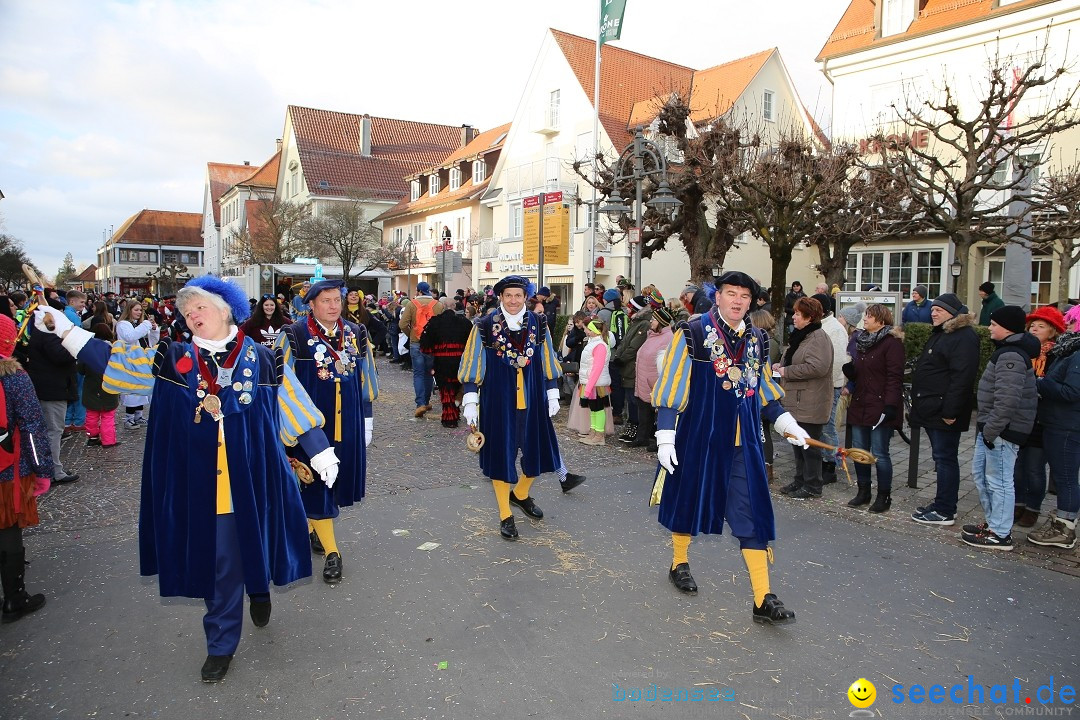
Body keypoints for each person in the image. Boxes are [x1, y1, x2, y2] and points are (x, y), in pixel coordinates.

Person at [34, 276, 335, 682]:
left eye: (200, 307)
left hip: (257, 477)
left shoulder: (265, 359)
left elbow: (292, 405)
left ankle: (259, 588)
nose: (192, 315)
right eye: (186, 310)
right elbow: (114, 363)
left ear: (225, 310)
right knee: (220, 564)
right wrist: (66, 330)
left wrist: (320, 449)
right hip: (204, 486)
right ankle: (221, 643)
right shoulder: (172, 358)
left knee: (256, 546)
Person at [651, 271, 810, 624]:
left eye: (744, 296)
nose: (737, 300)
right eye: (730, 293)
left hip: (744, 446)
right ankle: (679, 561)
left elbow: (766, 394)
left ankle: (762, 598)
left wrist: (787, 424)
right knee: (689, 502)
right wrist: (665, 435)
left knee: (750, 514)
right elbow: (672, 386)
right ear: (718, 296)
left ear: (751, 302)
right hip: (699, 440)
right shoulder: (691, 333)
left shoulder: (758, 340)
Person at [276, 278, 378, 584]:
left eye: (337, 300)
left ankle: (311, 529)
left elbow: (366, 377)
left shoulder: (356, 333)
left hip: (347, 424)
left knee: (333, 484)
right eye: (326, 301)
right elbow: (278, 383)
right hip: (309, 430)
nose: (333, 306)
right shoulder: (292, 335)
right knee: (317, 485)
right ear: (311, 304)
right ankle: (333, 552)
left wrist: (368, 418)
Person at [458, 275, 566, 540]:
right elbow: (474, 362)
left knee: (537, 452)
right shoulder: (483, 326)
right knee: (501, 457)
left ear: (525, 297)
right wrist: (471, 399)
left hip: (533, 400)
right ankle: (505, 515)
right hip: (498, 402)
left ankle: (520, 494)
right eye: (509, 296)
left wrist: (552, 390)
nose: (514, 301)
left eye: (518, 295)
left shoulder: (539, 323)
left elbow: (547, 355)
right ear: (501, 298)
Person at [959, 306, 1039, 551]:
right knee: (982, 476)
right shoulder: (1006, 352)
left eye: (994, 324)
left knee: (1000, 481)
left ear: (1007, 328)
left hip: (1002, 431)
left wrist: (992, 430)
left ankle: (1000, 533)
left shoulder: (1011, 356)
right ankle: (994, 524)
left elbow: (1007, 400)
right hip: (993, 429)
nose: (990, 327)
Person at [0, 313, 53, 624]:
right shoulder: (15, 378)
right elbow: (33, 427)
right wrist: (42, 469)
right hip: (9, 468)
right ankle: (14, 598)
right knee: (8, 530)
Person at [909, 293, 980, 526]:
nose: (933, 312)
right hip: (932, 406)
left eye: (939, 310)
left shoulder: (963, 336)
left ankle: (945, 510)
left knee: (945, 458)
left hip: (944, 411)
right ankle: (943, 503)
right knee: (940, 459)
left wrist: (950, 411)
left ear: (953, 313)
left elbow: (962, 377)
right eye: (933, 309)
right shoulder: (943, 333)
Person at [1026, 305, 1080, 550]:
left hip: (1067, 424)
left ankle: (1065, 528)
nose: (1066, 326)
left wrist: (1040, 383)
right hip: (1059, 422)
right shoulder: (1069, 351)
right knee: (1063, 476)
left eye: (1071, 322)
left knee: (1066, 477)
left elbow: (1071, 392)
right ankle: (1062, 521)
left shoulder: (1076, 354)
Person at [843, 304, 905, 513]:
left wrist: (890, 405)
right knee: (860, 451)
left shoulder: (891, 343)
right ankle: (863, 491)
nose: (865, 319)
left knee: (879, 453)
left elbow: (894, 377)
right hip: (861, 402)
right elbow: (863, 373)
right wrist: (851, 373)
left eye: (869, 316)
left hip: (880, 405)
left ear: (881, 320)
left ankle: (883, 495)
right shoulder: (861, 341)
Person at [775, 296, 834, 499]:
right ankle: (800, 480)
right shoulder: (801, 336)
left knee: (810, 446)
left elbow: (818, 367)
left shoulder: (818, 337)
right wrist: (780, 367)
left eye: (798, 314)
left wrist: (787, 371)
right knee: (797, 444)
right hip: (796, 400)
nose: (794, 318)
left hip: (811, 401)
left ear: (809, 317)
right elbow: (792, 360)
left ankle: (813, 485)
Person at [1013, 305, 1065, 528]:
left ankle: (1033, 507)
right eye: (1032, 325)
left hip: (1042, 418)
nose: (1034, 329)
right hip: (1021, 416)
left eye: (1040, 326)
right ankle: (1018, 503)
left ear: (1052, 331)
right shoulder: (1023, 353)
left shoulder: (1056, 356)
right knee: (1017, 466)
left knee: (1034, 467)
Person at [26, 300, 80, 485]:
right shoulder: (47, 334)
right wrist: (76, 345)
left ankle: (50, 469)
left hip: (51, 387)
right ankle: (53, 471)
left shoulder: (44, 333)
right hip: (52, 389)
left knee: (52, 430)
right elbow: (60, 356)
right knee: (54, 430)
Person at [419, 296, 473, 428]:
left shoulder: (434, 322)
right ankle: (455, 411)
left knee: (446, 389)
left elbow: (425, 345)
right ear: (454, 307)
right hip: (461, 361)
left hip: (442, 361)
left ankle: (450, 418)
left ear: (442, 307)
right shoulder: (465, 322)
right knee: (457, 387)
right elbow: (472, 342)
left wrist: (431, 354)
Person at [814, 292, 849, 486]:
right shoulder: (822, 326)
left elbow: (838, 361)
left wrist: (827, 381)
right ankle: (821, 460)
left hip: (830, 383)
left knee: (828, 425)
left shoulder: (834, 329)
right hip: (819, 384)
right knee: (820, 424)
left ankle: (830, 464)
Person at [399, 282, 445, 418]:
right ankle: (426, 401)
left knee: (418, 373)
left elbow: (402, 324)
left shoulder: (411, 304)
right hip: (431, 345)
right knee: (429, 373)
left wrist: (411, 334)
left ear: (418, 291)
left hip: (416, 343)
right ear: (429, 291)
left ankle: (420, 404)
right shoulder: (438, 305)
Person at [633, 306, 674, 451]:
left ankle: (659, 441)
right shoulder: (652, 335)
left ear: (661, 322)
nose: (651, 322)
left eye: (654, 320)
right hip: (644, 380)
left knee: (658, 414)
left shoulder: (668, 338)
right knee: (644, 411)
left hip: (655, 381)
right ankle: (642, 437)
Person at [613, 295, 652, 445]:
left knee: (634, 399)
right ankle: (632, 424)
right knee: (629, 398)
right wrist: (618, 355)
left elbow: (635, 345)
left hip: (632, 364)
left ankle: (636, 426)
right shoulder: (635, 322)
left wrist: (622, 358)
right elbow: (625, 342)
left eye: (630, 306)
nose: (627, 308)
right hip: (626, 365)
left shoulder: (643, 324)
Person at [749, 309, 780, 482]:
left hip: (764, 392)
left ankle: (767, 468)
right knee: (761, 432)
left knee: (763, 432)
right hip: (761, 390)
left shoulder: (767, 342)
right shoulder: (765, 340)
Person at [79, 323, 122, 448]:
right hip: (109, 384)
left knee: (91, 414)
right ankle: (108, 441)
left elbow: (80, 369)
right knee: (107, 415)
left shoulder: (87, 349)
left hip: (91, 386)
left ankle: (92, 437)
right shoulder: (113, 349)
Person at [116, 299, 156, 429]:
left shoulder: (139, 324)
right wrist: (145, 325)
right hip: (130, 361)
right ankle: (129, 418)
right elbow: (130, 337)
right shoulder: (123, 324)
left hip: (143, 360)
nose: (139, 312)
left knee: (142, 389)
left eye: (140, 310)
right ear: (129, 310)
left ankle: (139, 415)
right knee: (132, 391)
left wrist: (154, 329)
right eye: (136, 310)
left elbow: (151, 341)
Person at [576, 318, 613, 446]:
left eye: (589, 329)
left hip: (596, 383)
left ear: (594, 331)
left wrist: (588, 387)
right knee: (593, 408)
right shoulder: (594, 343)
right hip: (591, 382)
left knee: (598, 408)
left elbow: (597, 368)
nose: (586, 330)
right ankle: (594, 432)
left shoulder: (599, 345)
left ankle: (599, 435)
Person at [63, 290, 89, 435]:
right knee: (79, 389)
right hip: (75, 356)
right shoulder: (71, 316)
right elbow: (78, 337)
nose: (83, 305)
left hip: (71, 356)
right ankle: (78, 420)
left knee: (73, 389)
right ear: (72, 301)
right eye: (82, 302)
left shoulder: (67, 314)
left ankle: (69, 420)